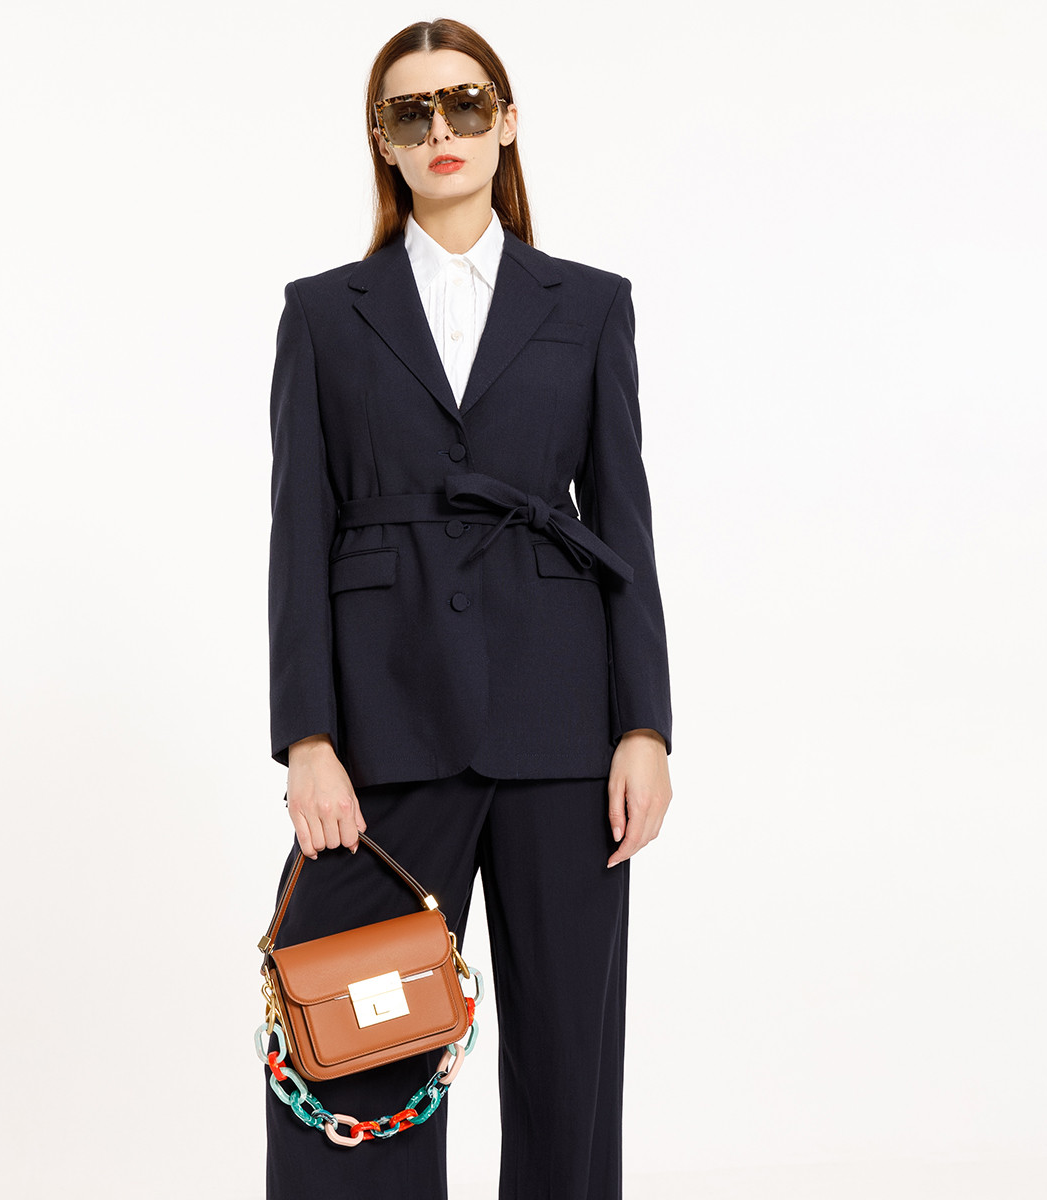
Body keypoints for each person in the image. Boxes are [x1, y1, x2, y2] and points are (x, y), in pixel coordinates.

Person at [262, 17, 673, 1199]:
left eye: (465, 103)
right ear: (383, 140)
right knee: (355, 1045)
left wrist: (644, 725)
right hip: (384, 727)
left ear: (505, 121)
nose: (441, 128)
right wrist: (307, 737)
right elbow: (299, 531)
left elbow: (627, 525)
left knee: (567, 1063)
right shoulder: (323, 313)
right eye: (412, 111)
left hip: (562, 721)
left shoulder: (589, 305)